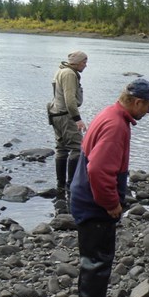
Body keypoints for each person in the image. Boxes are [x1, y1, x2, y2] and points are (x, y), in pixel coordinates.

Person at [70, 78, 149, 297]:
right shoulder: (115, 125)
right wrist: (111, 204)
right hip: (94, 203)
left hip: (85, 196)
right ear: (137, 102)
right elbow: (98, 170)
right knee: (97, 262)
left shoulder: (111, 114)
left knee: (93, 259)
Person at [47, 51, 88, 203]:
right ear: (76, 62)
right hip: (65, 115)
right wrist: (77, 119)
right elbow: (70, 98)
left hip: (55, 114)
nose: (85, 65)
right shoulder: (69, 74)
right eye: (84, 61)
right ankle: (71, 185)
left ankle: (60, 186)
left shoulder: (60, 70)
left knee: (61, 149)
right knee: (78, 148)